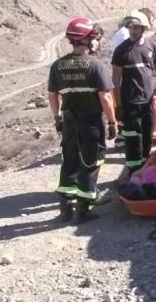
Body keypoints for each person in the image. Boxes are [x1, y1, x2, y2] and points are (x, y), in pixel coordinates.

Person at [48, 17, 118, 223]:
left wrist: (57, 117)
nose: (96, 42)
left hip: (68, 122)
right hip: (90, 123)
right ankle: (83, 210)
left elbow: (53, 95)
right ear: (86, 40)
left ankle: (65, 208)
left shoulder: (57, 66)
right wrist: (113, 122)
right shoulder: (95, 65)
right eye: (94, 38)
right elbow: (105, 97)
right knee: (90, 162)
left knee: (70, 161)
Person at [110, 9, 156, 174]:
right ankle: (133, 172)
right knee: (133, 139)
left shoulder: (151, 46)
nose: (133, 31)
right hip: (130, 103)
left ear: (143, 29)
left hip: (148, 101)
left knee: (148, 136)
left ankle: (146, 168)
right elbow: (115, 81)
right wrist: (118, 106)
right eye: (131, 28)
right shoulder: (121, 51)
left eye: (137, 28)